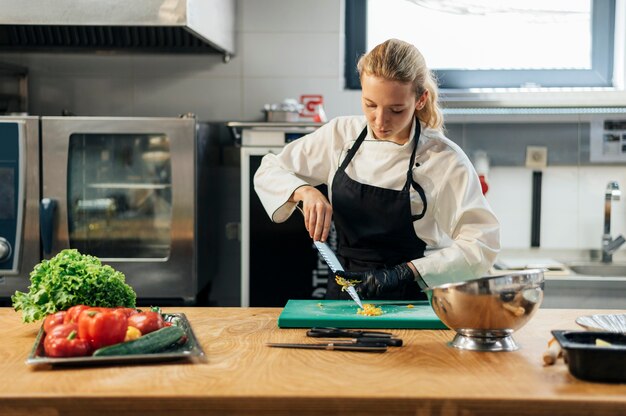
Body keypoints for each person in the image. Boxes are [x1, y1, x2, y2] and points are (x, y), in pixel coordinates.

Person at [253, 38, 500, 301]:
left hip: (413, 295)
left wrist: (405, 272)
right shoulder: (340, 135)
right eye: (370, 105)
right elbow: (269, 169)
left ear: (420, 99)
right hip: (345, 292)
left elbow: (482, 242)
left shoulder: (443, 159)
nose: (380, 122)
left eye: (396, 110)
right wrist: (303, 191)